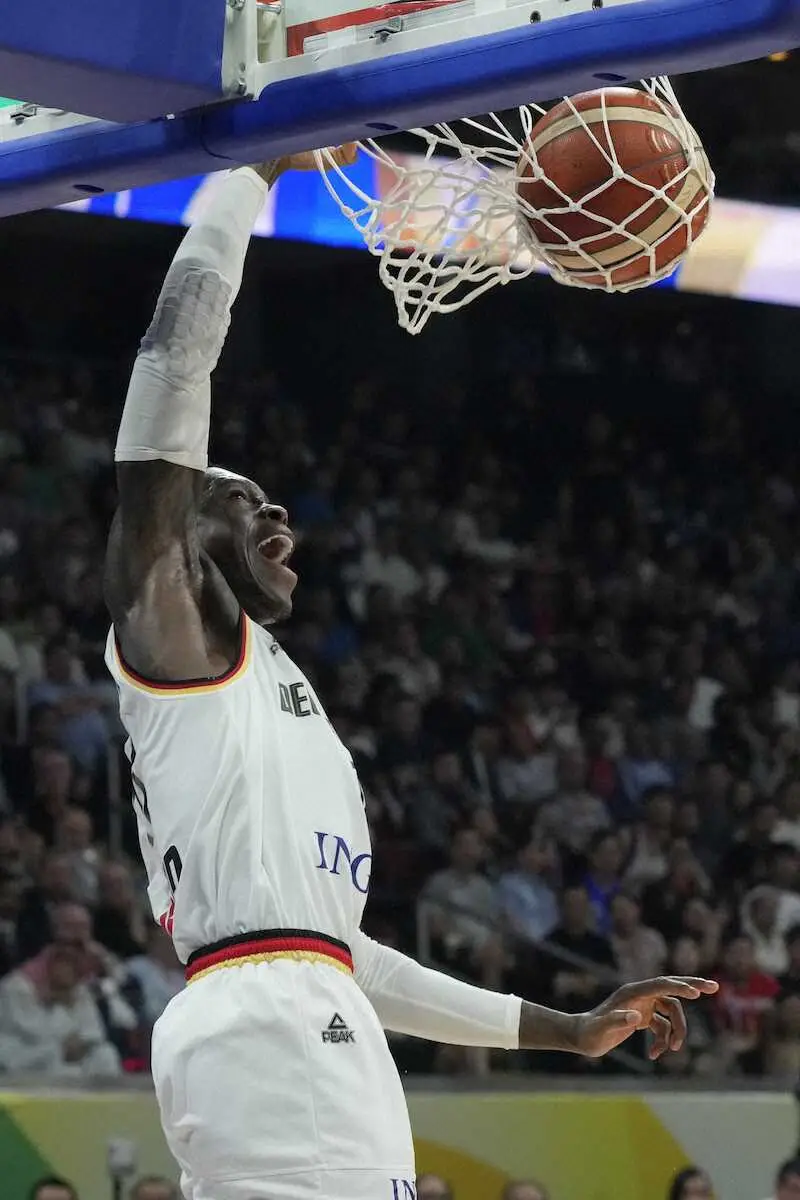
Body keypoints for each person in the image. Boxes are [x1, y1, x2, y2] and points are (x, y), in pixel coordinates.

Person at [102, 151, 717, 1200]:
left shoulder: (279, 710)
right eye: (244, 501)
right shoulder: (178, 643)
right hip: (270, 1029)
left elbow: (348, 956)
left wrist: (564, 1029)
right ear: (185, 537)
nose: (279, 515)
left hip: (296, 1016)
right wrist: (248, 172)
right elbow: (172, 364)